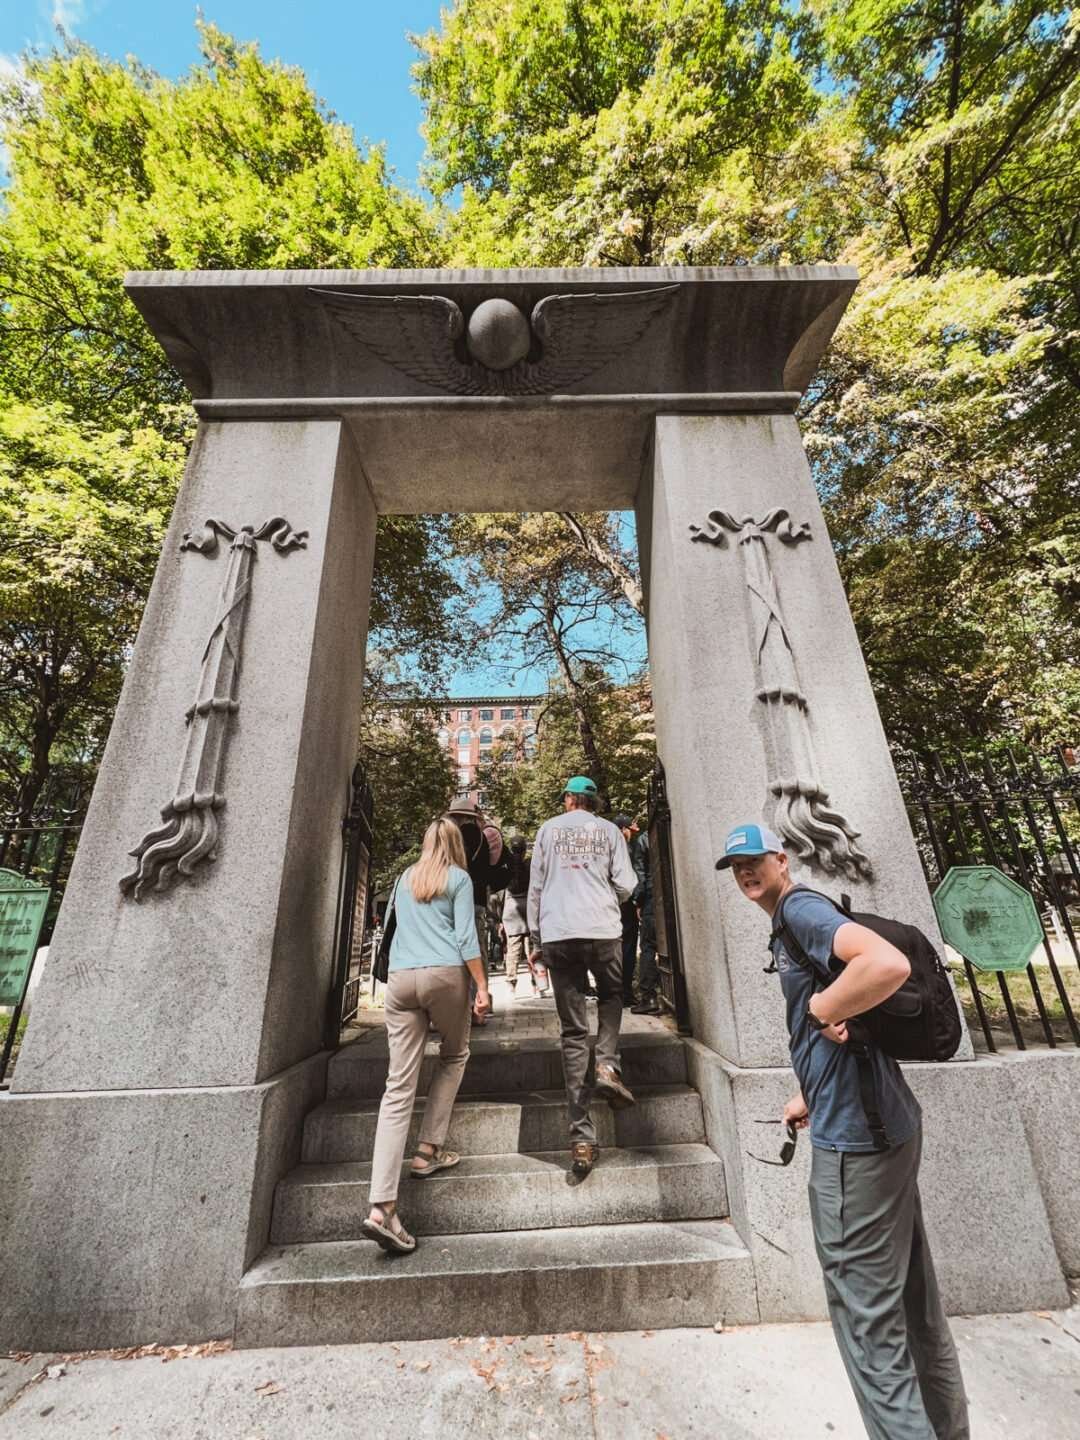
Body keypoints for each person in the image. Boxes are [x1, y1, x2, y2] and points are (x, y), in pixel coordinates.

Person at [718, 821, 969, 1440]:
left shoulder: (802, 910)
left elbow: (883, 964)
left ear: (782, 858)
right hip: (883, 1123)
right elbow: (852, 1020)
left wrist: (823, 1008)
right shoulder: (794, 919)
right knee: (914, 1308)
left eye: (755, 860)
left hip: (856, 1142)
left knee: (867, 1325)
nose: (746, 873)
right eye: (735, 867)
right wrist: (811, 1086)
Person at [362, 816, 490, 1256]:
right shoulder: (458, 879)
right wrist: (483, 988)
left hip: (400, 981)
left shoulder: (403, 878)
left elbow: (393, 927)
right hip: (444, 976)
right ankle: (427, 1150)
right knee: (454, 1056)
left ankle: (382, 1208)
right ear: (457, 845)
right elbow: (466, 937)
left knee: (398, 1087)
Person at [528, 776, 639, 1177]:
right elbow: (628, 884)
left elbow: (536, 886)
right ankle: (608, 1064)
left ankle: (582, 1140)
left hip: (558, 933)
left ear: (569, 800)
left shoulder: (547, 830)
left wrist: (536, 937)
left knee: (573, 1033)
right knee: (612, 996)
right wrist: (606, 894)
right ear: (592, 802)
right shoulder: (610, 831)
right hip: (602, 929)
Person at [446, 796, 512, 1024]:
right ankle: (479, 1008)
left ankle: (460, 1007)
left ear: (455, 816)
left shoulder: (458, 836)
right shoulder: (484, 838)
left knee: (456, 953)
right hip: (477, 901)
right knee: (477, 952)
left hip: (456, 900)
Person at [500, 835, 549, 997]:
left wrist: (499, 918)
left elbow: (498, 892)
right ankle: (538, 985)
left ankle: (511, 986)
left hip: (510, 909)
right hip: (529, 909)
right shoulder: (529, 865)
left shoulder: (505, 867)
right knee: (533, 949)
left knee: (513, 950)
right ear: (524, 849)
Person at [629, 823, 661, 1014]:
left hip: (651, 896)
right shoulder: (668, 832)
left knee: (648, 947)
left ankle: (649, 997)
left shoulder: (643, 840)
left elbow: (640, 875)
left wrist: (638, 902)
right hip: (671, 893)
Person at [613, 815, 641, 1006]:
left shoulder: (609, 849)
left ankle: (616, 991)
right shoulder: (628, 850)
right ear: (623, 830)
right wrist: (637, 901)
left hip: (611, 905)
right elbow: (635, 878)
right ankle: (626, 992)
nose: (632, 834)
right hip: (626, 904)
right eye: (630, 830)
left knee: (615, 949)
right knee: (628, 949)